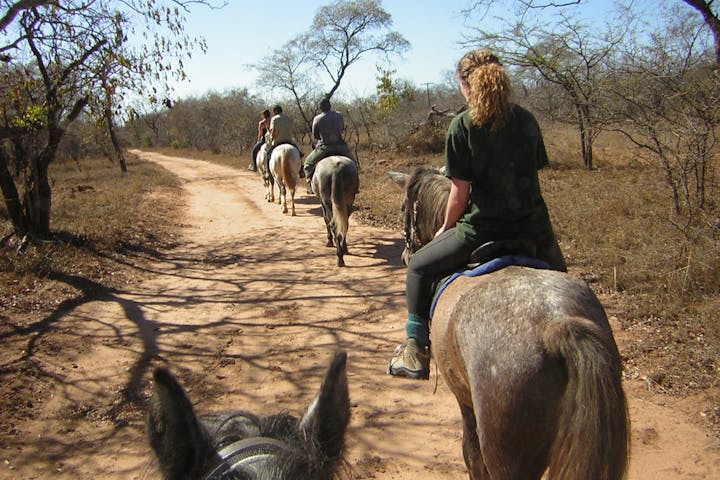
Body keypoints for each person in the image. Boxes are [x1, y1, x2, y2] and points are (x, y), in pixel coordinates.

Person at [387, 49, 567, 380]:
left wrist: (445, 227)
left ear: (464, 84)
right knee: (565, 283)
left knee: (418, 266)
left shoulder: (463, 126)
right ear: (502, 80)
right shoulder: (526, 120)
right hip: (535, 230)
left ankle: (415, 350)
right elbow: (532, 170)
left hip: (481, 231)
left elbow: (459, 193)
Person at [302, 97, 354, 193]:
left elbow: (315, 136)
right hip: (340, 146)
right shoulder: (339, 115)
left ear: (320, 108)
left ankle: (311, 185)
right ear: (330, 106)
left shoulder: (317, 118)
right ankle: (354, 186)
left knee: (308, 164)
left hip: (324, 147)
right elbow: (342, 129)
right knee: (354, 164)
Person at [263, 105, 300, 178]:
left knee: (268, 154)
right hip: (289, 141)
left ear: (275, 111)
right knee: (299, 153)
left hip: (278, 142)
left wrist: (271, 139)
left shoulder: (274, 119)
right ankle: (301, 169)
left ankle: (268, 173)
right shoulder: (288, 118)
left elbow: (273, 131)